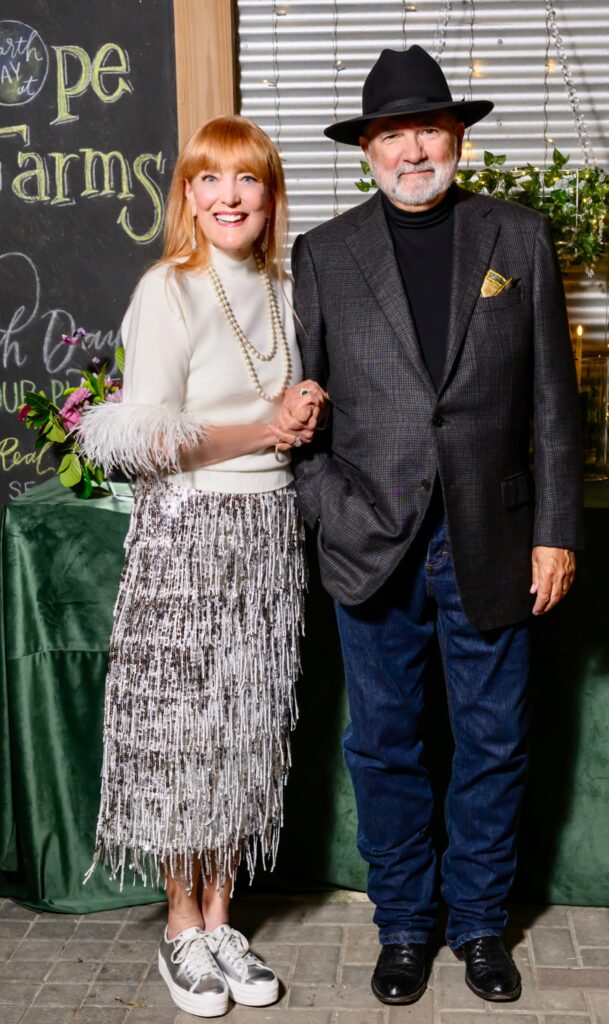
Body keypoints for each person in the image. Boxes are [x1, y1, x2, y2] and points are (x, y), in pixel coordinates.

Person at [290, 46, 583, 1007]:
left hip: (492, 539)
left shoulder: (518, 238)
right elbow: (305, 412)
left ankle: (478, 925)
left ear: (455, 136)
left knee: (493, 740)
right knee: (383, 745)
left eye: (426, 128)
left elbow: (553, 401)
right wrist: (330, 510)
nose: (410, 147)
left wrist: (556, 529)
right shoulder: (325, 254)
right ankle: (406, 926)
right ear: (366, 148)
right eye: (390, 133)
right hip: (370, 540)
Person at [78, 115, 326, 1019]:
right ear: (186, 195)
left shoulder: (283, 286)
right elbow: (142, 438)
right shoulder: (168, 289)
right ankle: (181, 926)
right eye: (209, 181)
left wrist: (300, 406)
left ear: (269, 196)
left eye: (247, 181)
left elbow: (276, 397)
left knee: (241, 729)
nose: (228, 197)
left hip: (266, 530)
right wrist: (265, 425)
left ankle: (224, 917)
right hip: (186, 536)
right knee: (184, 736)